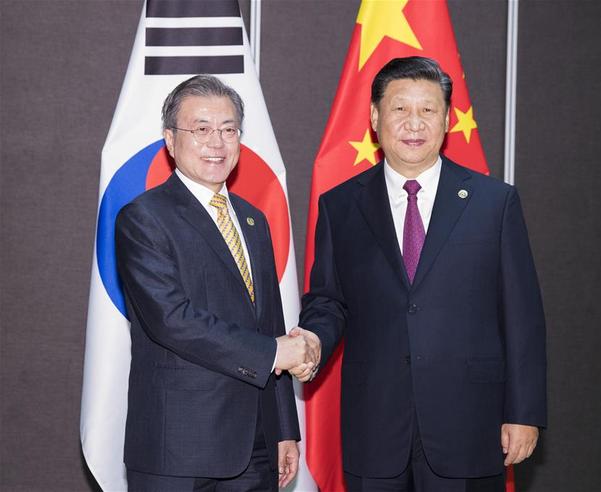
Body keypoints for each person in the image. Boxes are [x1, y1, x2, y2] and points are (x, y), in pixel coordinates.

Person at [299, 57, 546, 491]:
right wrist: (313, 339)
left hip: (469, 425)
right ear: (375, 117)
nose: (414, 123)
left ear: (447, 119)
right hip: (375, 426)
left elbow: (522, 316)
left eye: (428, 110)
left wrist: (523, 411)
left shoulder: (494, 203)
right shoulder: (339, 206)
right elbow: (328, 300)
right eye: (399, 109)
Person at [115, 75, 318, 492]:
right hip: (178, 450)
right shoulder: (143, 218)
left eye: (229, 130)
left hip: (255, 448)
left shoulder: (253, 220)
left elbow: (269, 324)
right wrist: (276, 351)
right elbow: (172, 320)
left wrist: (284, 429)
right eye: (201, 129)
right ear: (170, 139)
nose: (217, 142)